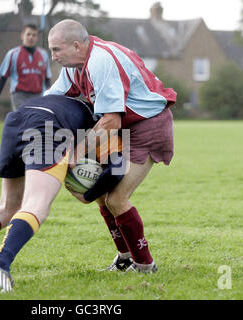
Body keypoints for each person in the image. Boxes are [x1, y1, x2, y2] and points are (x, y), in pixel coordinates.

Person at [0, 94, 124, 292]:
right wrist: (87, 195)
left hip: (16, 120)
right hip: (49, 125)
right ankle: (0, 262)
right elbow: (116, 170)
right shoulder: (104, 120)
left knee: (8, 206)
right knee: (37, 203)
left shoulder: (66, 99)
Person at [46, 19, 177, 274]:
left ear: (75, 45)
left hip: (149, 126)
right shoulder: (74, 65)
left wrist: (77, 152)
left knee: (117, 198)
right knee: (100, 197)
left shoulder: (100, 60)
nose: (53, 57)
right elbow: (52, 100)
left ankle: (145, 265)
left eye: (56, 50)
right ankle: (125, 258)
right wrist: (26, 120)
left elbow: (111, 120)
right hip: (123, 127)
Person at [0, 24, 52, 117]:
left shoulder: (44, 54)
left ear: (37, 37)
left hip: (38, 96)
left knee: (36, 122)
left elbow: (47, 79)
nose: (31, 37)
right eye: (28, 34)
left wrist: (49, 96)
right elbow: (3, 78)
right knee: (24, 120)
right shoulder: (13, 54)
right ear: (22, 35)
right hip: (19, 96)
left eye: (34, 35)